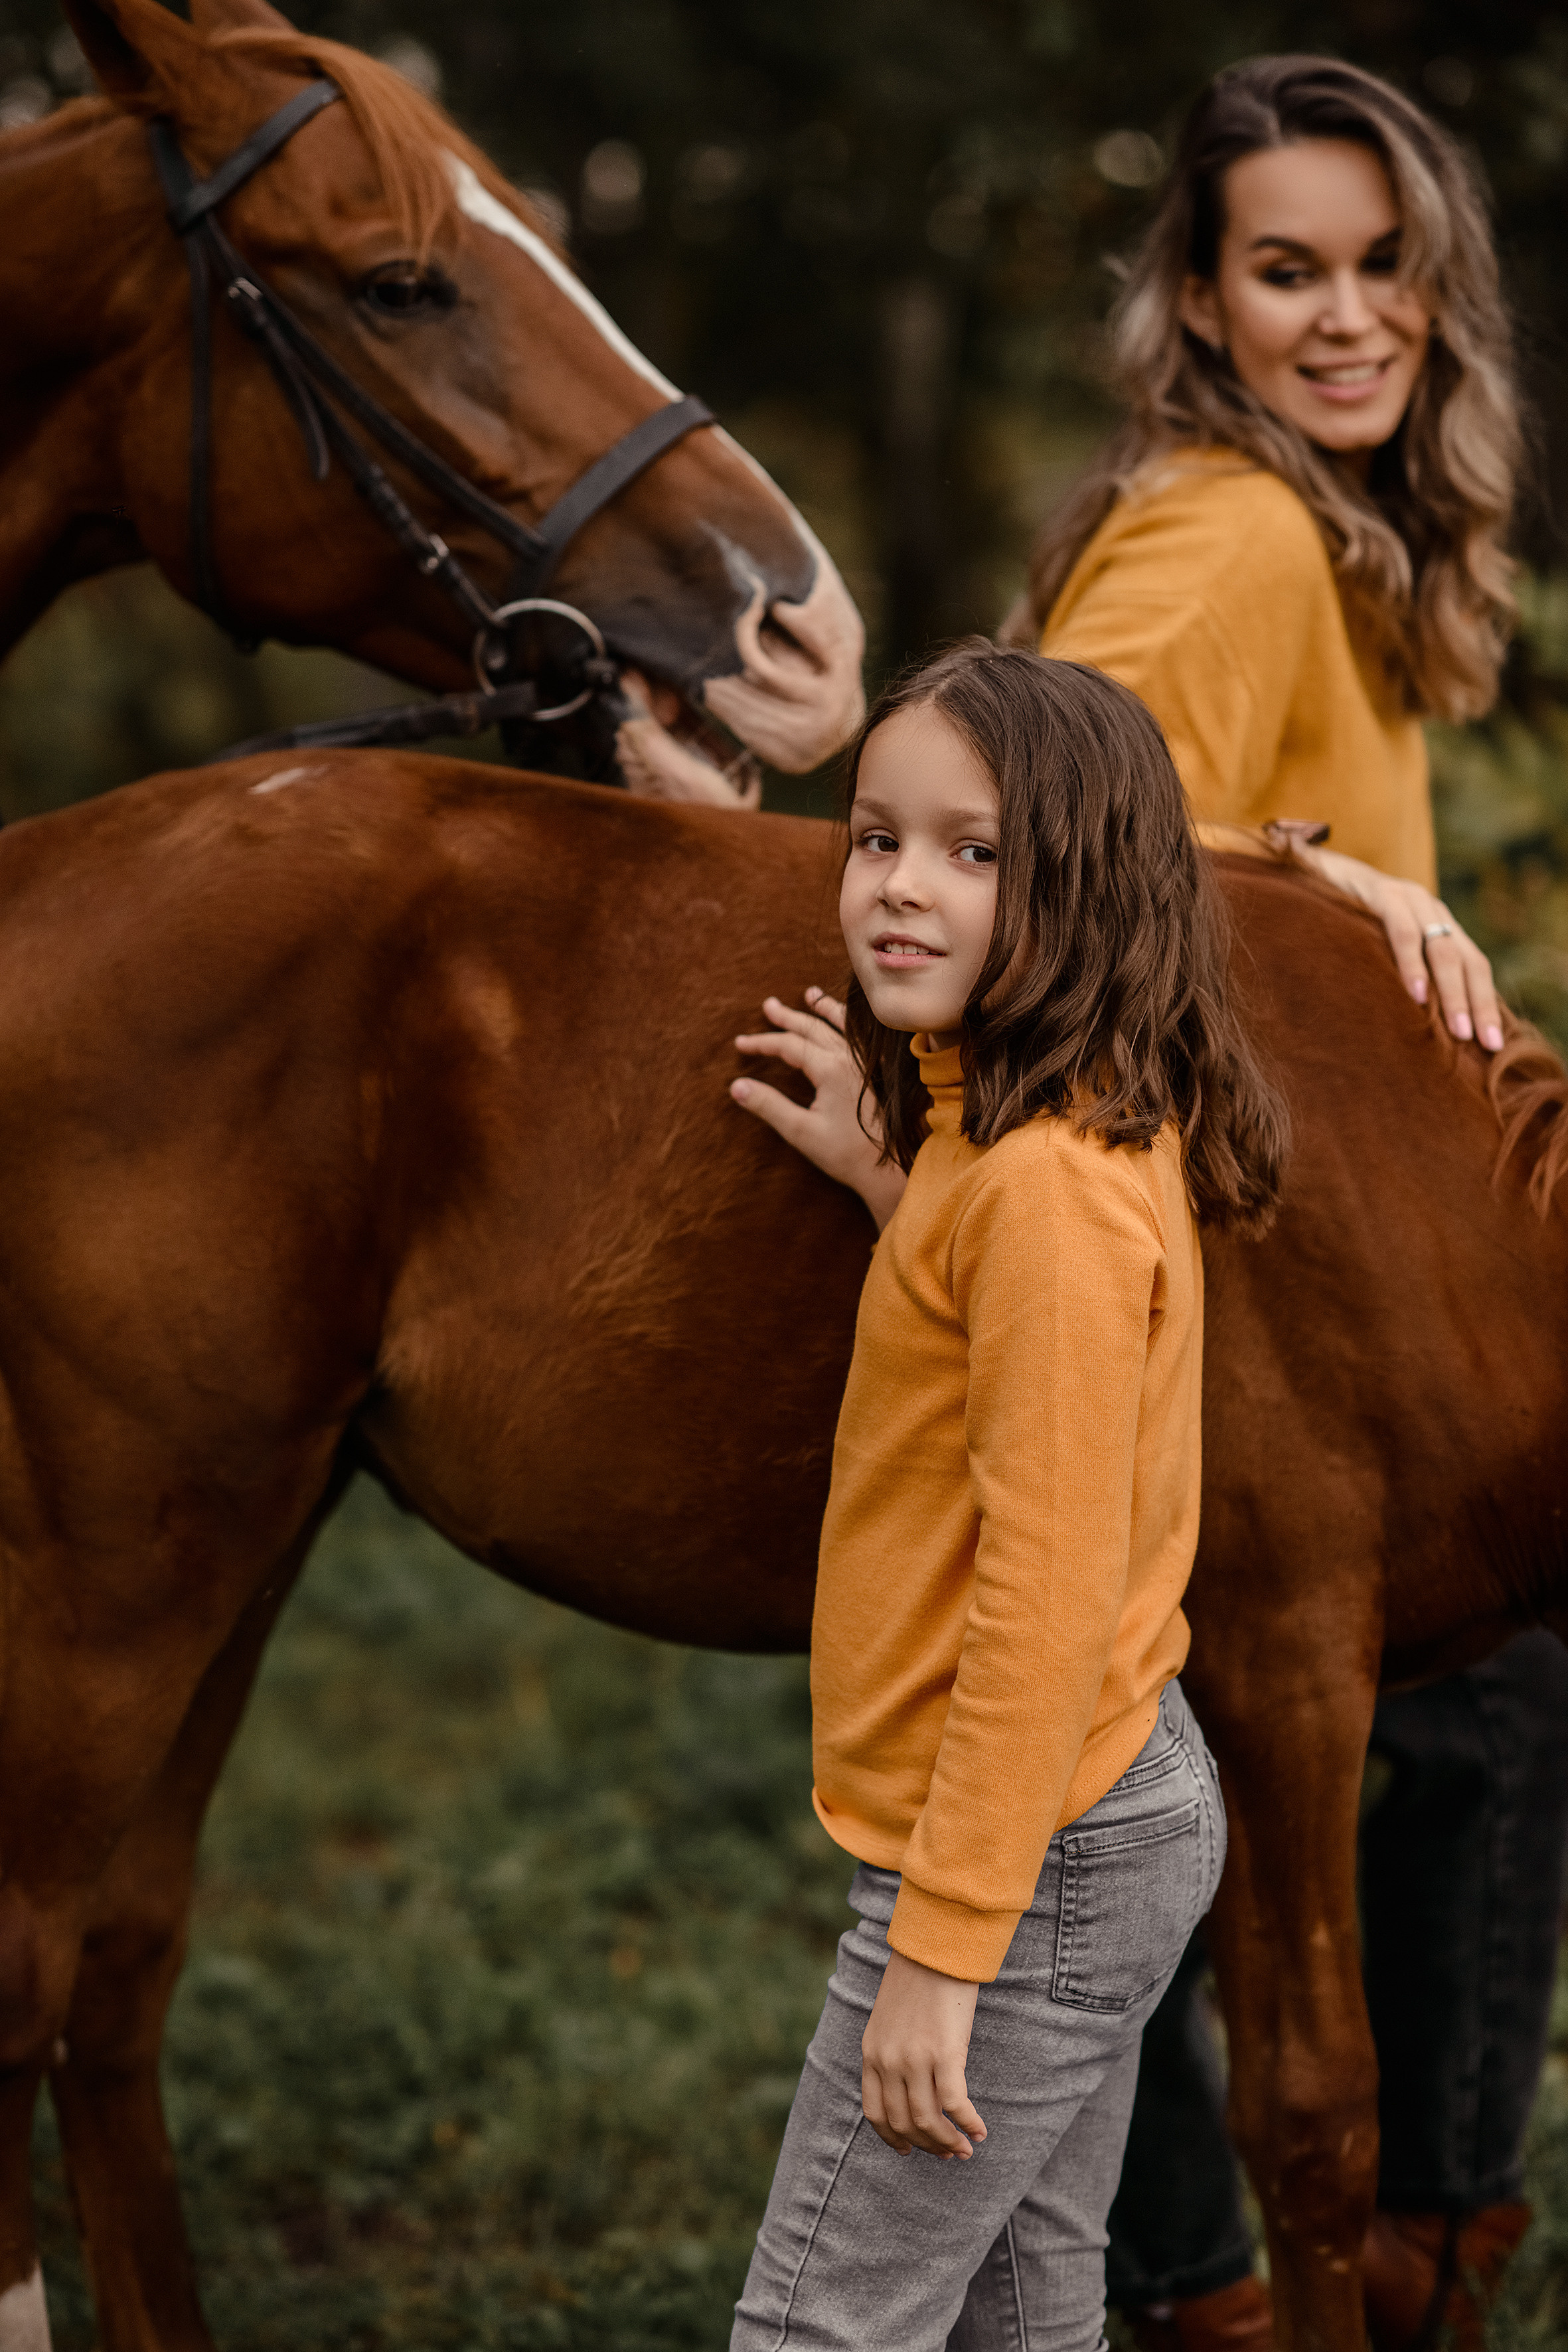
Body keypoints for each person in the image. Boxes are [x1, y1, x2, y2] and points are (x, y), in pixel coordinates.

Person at [732, 53, 1568, 2352]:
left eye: (1385, 267)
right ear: (1197, 301)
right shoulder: (1237, 532)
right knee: (1417, 1706)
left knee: (1357, 1726)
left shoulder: (1323, 533)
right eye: (1285, 270)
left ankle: (1269, 2255)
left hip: (1216, 1260)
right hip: (1223, 1268)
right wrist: (1319, 865)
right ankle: (1365, 2247)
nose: (1347, 317)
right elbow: (1047, 781)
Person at [729, 640, 1286, 2352]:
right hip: (1102, 1799)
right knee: (1027, 2312)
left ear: (1087, 887)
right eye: (875, 839)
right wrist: (894, 1183)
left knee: (821, 2330)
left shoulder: (1041, 1195)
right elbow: (1011, 1330)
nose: (900, 887)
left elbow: (1043, 1596)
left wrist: (944, 1949)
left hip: (1029, 1850)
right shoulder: (1040, 1143)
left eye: (973, 853)